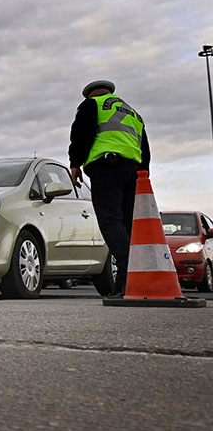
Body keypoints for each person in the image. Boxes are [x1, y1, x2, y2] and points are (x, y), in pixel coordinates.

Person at [68, 80, 150, 298]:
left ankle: (127, 273)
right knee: (127, 224)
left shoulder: (92, 105)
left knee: (110, 221)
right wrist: (144, 175)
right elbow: (145, 147)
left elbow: (80, 134)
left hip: (107, 167)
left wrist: (75, 163)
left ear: (90, 95)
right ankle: (130, 281)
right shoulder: (133, 113)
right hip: (133, 171)